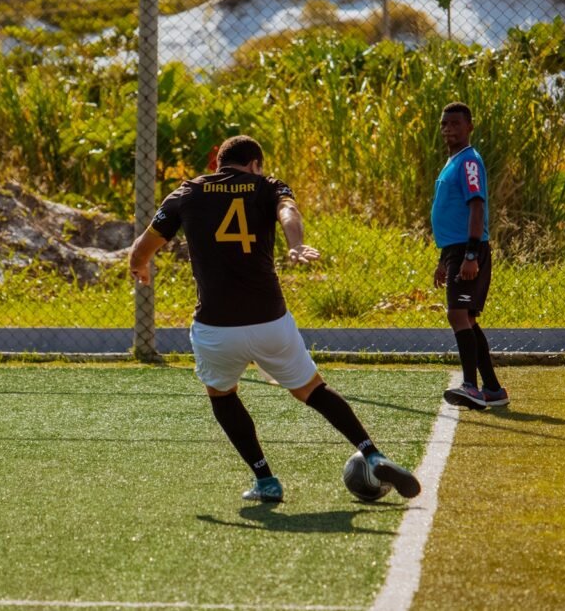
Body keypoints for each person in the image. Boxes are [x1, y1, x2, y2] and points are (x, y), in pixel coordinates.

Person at [129, 135, 421, 503]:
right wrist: (295, 244)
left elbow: (144, 245)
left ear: (219, 162)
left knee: (221, 394)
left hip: (217, 327)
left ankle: (265, 479)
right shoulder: (268, 186)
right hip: (270, 322)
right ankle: (372, 452)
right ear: (254, 164)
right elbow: (289, 213)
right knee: (312, 390)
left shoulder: (187, 192)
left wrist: (137, 266)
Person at [431, 102, 509, 410]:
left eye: (455, 124)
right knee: (468, 318)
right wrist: (443, 259)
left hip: (468, 248)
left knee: (457, 314)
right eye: (444, 124)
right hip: (455, 250)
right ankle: (492, 388)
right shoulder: (453, 161)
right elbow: (451, 213)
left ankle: (470, 386)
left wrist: (472, 254)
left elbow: (476, 206)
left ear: (469, 127)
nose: (448, 129)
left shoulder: (469, 162)